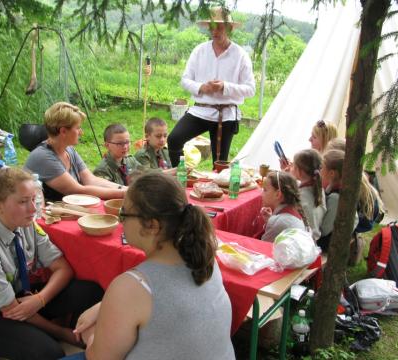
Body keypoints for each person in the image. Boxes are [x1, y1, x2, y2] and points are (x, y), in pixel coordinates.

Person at [68, 172, 235, 360]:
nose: (120, 220)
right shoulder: (205, 258)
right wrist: (103, 307)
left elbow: (99, 357)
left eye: (124, 214)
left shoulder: (131, 287)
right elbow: (168, 298)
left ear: (152, 226)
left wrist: (91, 334)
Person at [0, 168, 104, 360]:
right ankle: (64, 333)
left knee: (91, 290)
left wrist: (39, 300)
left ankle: (76, 331)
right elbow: (10, 309)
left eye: (33, 199)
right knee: (49, 352)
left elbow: (62, 268)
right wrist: (62, 334)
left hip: (22, 298)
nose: (33, 209)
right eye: (23, 202)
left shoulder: (26, 224)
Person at [167, 7, 255, 167]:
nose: (215, 31)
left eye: (219, 26)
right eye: (212, 26)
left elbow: (250, 89)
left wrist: (225, 87)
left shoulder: (240, 55)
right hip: (201, 110)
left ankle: (217, 189)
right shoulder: (200, 51)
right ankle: (179, 179)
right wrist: (202, 87)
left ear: (229, 28)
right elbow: (185, 80)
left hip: (226, 114)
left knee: (219, 164)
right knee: (174, 139)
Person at [25, 102, 126, 202]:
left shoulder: (68, 150)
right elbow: (77, 191)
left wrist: (124, 189)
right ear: (63, 131)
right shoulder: (43, 157)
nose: (81, 132)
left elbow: (91, 180)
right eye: (78, 128)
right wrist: (124, 194)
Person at [318, 149, 358, 252]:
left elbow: (324, 230)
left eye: (321, 168)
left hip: (327, 244)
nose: (319, 171)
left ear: (331, 173)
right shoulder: (344, 190)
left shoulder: (335, 198)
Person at [260, 171, 307, 243]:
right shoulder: (293, 210)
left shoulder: (278, 222)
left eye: (265, 190)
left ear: (278, 194)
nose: (261, 193)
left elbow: (262, 247)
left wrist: (272, 222)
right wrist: (270, 220)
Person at [291, 149, 326, 241]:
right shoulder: (319, 189)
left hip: (304, 240)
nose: (291, 168)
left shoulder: (301, 197)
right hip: (315, 237)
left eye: (293, 166)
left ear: (299, 171)